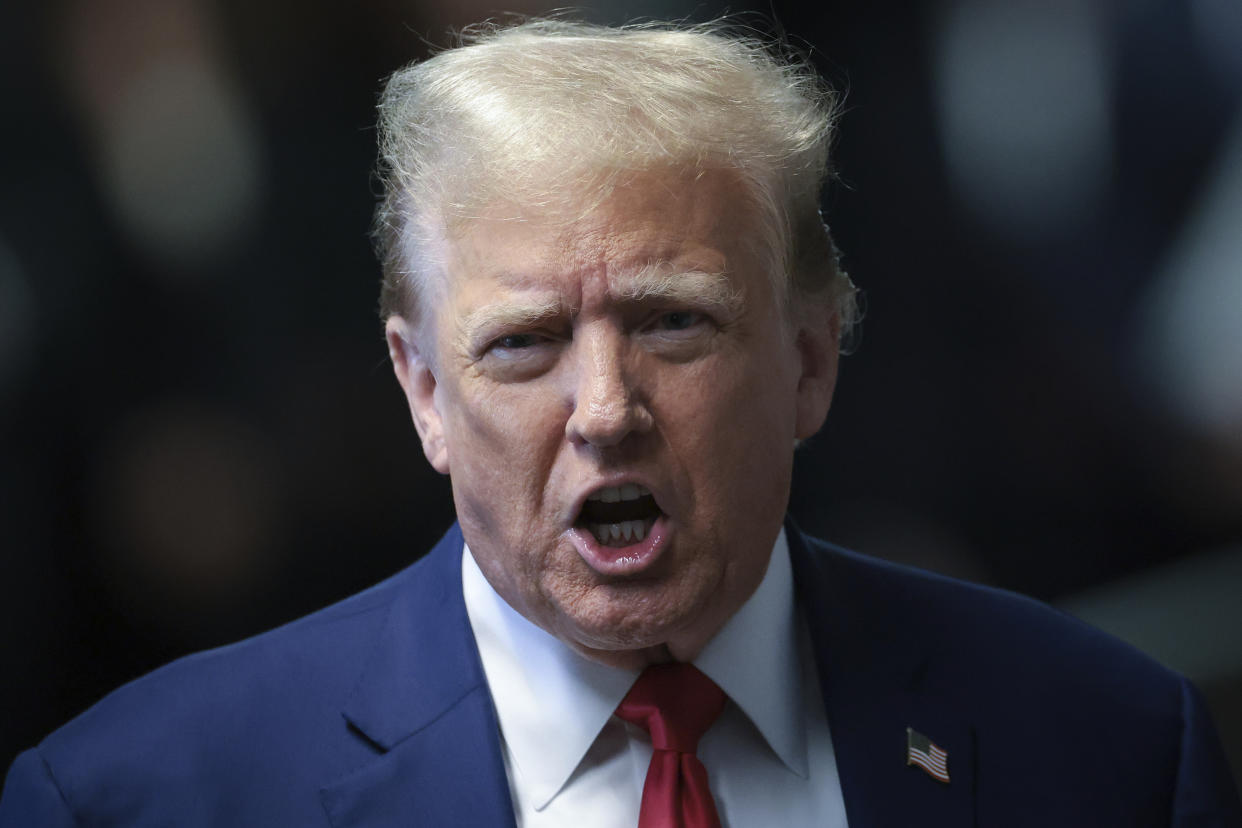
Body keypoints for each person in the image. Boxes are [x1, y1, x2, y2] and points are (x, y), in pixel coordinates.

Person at [2, 19, 1239, 828]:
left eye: (673, 324)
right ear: (423, 391)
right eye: (523, 344)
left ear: (812, 359)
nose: (605, 408)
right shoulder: (133, 800)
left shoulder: (1117, 749)